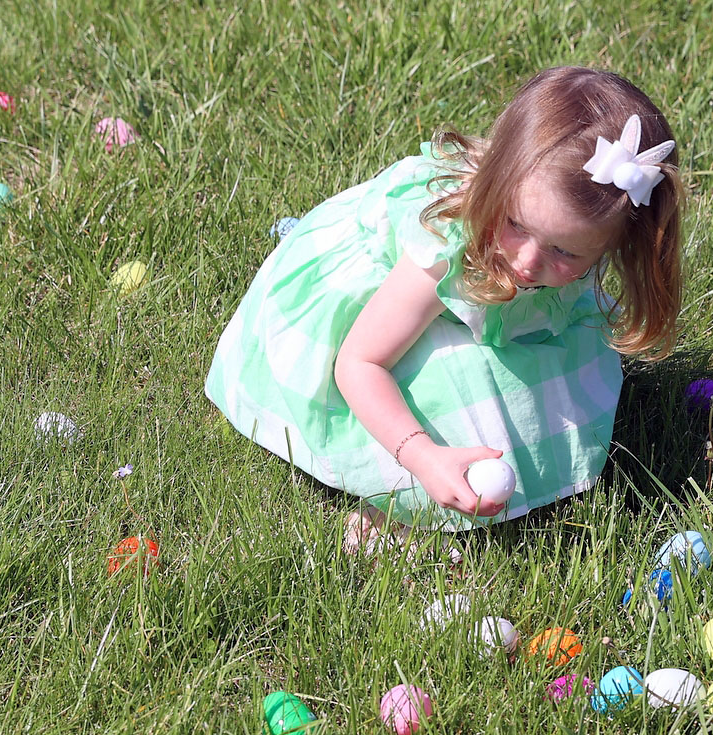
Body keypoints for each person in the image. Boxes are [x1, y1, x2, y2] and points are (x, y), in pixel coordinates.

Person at [205, 66, 683, 550]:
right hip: (380, 322)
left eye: (567, 253)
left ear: (617, 245)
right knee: (449, 384)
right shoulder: (445, 245)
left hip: (471, 307)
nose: (527, 260)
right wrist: (422, 456)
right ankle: (392, 510)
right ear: (498, 182)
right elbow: (359, 363)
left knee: (544, 375)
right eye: (516, 223)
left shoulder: (567, 230)